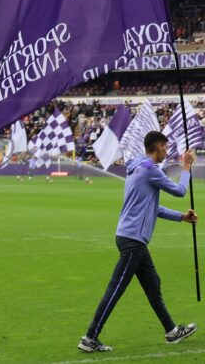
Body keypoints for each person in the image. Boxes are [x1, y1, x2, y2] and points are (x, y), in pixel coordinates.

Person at [78, 131, 198, 353]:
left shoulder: (136, 168)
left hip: (129, 237)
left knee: (152, 284)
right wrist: (187, 166)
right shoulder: (151, 170)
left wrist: (181, 217)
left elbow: (153, 207)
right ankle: (90, 337)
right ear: (159, 147)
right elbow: (180, 191)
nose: (166, 152)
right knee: (116, 288)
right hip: (133, 239)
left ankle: (171, 331)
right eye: (165, 147)